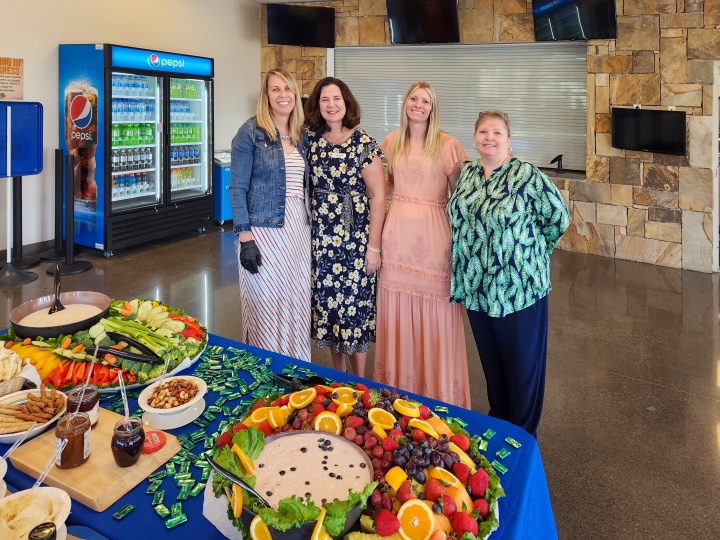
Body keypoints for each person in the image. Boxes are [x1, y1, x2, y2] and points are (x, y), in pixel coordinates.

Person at [447, 109, 569, 437]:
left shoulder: (526, 175)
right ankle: (500, 428)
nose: (490, 137)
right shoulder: (469, 173)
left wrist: (530, 253)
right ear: (474, 137)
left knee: (521, 371)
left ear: (509, 140)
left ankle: (522, 440)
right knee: (493, 368)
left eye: (497, 133)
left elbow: (558, 217)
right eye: (484, 132)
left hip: (519, 291)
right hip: (477, 290)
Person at [372, 82, 470, 408]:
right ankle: (396, 395)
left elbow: (461, 196)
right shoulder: (391, 142)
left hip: (434, 241)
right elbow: (381, 187)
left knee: (438, 314)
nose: (418, 104)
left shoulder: (448, 145)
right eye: (413, 98)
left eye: (425, 100)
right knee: (395, 315)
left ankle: (438, 396)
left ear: (433, 107)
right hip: (396, 239)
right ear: (405, 103)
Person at [304, 77, 386, 377]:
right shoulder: (311, 141)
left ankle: (359, 380)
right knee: (329, 309)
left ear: (346, 102)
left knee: (354, 310)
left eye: (336, 98)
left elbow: (378, 196)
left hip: (355, 241)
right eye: (325, 99)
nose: (331, 104)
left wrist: (373, 248)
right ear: (317, 105)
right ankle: (338, 375)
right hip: (322, 239)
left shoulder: (364, 142)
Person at [229, 68, 312, 361]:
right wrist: (245, 238)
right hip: (263, 230)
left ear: (295, 95)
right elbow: (236, 188)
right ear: (266, 96)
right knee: (265, 301)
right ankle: (265, 366)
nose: (282, 95)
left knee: (294, 299)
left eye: (287, 89)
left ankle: (295, 363)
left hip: (299, 232)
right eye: (275, 89)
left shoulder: (303, 135)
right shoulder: (250, 132)